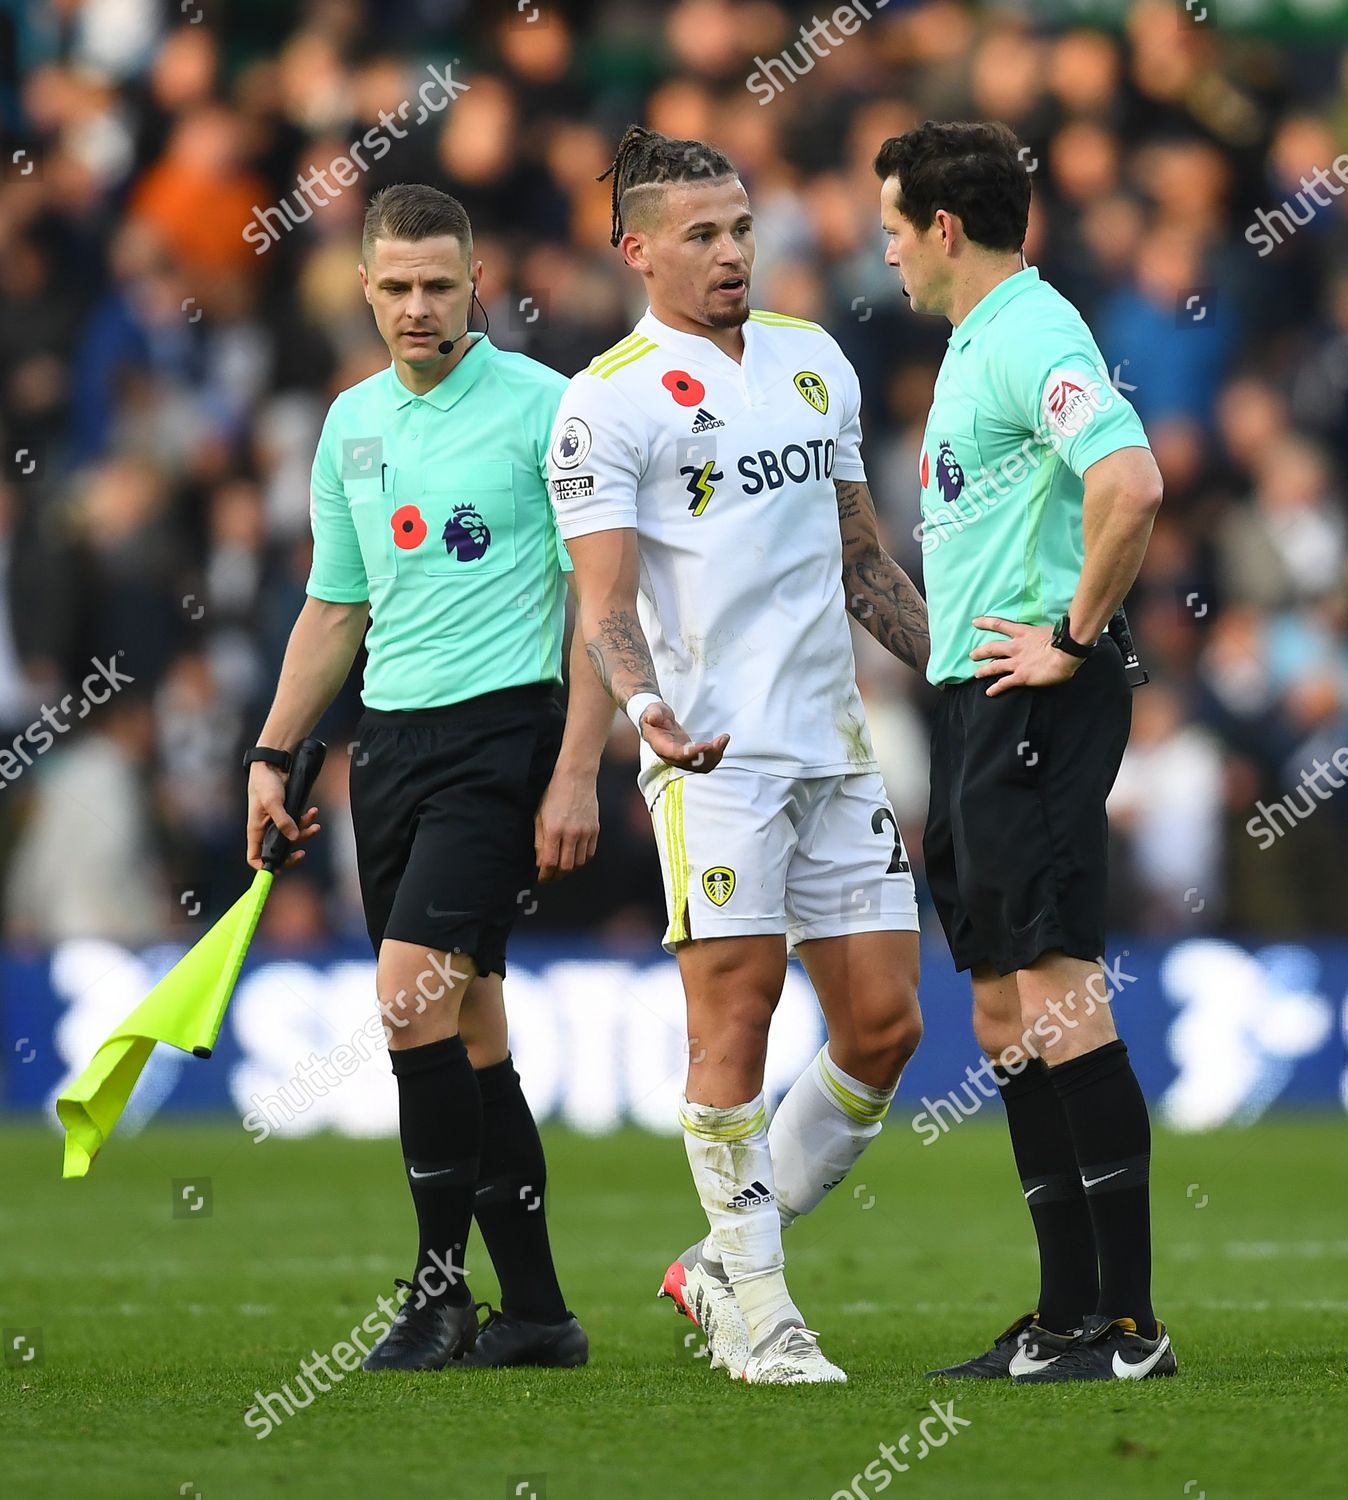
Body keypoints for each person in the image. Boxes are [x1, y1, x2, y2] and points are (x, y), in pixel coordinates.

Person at [549, 126, 930, 1385]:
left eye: (739, 227)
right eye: (700, 234)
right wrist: (641, 712)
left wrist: (963, 670)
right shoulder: (603, 400)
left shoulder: (813, 361)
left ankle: (714, 1261)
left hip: (831, 744)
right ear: (636, 248)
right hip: (712, 760)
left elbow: (862, 561)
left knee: (884, 1024)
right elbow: (603, 603)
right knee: (737, 1017)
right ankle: (760, 1315)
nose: (729, 254)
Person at [245, 183, 612, 1372]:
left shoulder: (546, 408)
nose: (416, 307)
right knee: (472, 1026)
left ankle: (439, 1293)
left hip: (502, 739)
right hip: (387, 748)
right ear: (363, 288)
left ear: (478, 285)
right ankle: (542, 1314)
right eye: (394, 287)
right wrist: (272, 752)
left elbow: (603, 606)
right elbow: (335, 605)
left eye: (437, 286)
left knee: (408, 996)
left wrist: (574, 770)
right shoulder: (350, 422)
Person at [875, 120, 1174, 1382]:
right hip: (976, 706)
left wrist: (1070, 633)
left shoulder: (1034, 334)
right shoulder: (977, 346)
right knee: (1001, 1004)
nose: (883, 253)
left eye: (893, 228)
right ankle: (1059, 1317)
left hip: (1034, 702)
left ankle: (1124, 1327)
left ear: (944, 228)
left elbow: (1133, 481)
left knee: (1056, 989)